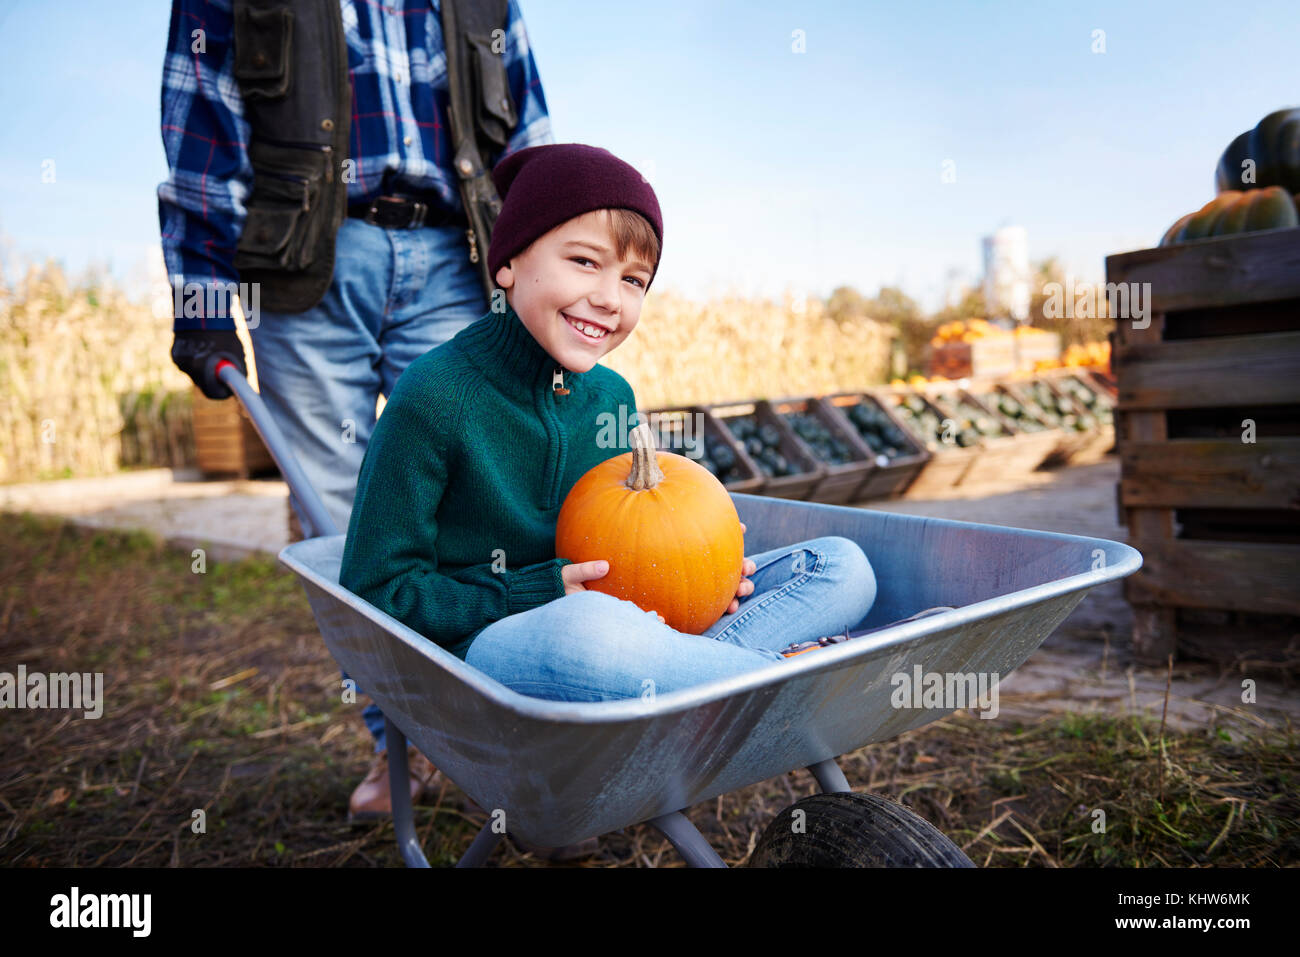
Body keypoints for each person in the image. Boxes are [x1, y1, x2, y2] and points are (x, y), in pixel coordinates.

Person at [158, 0, 552, 822]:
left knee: (483, 509)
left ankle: (501, 741)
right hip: (303, 266)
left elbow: (528, 138)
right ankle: (401, 742)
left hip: (458, 256)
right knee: (340, 522)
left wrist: (553, 269)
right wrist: (201, 298)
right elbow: (201, 120)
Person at [339, 143, 879, 721]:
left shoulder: (611, 397)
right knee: (588, 637)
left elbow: (625, 541)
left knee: (843, 569)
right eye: (585, 262)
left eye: (634, 280)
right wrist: (532, 591)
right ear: (509, 262)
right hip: (489, 647)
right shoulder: (435, 395)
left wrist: (703, 569)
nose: (608, 298)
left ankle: (717, 674)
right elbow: (375, 594)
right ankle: (822, 689)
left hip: (622, 627)